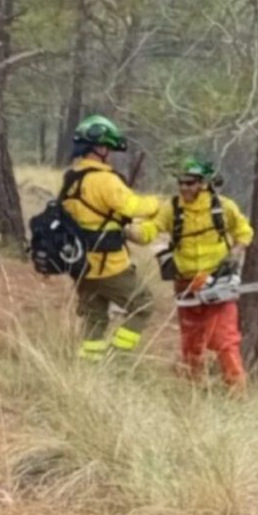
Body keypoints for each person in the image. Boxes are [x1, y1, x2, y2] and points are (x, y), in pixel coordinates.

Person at [128, 157, 253, 388]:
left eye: (190, 183)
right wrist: (130, 231)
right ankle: (191, 389)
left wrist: (235, 253)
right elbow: (150, 230)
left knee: (224, 340)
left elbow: (244, 231)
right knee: (191, 341)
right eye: (181, 183)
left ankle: (237, 391)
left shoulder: (224, 207)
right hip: (186, 285)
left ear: (204, 183)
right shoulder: (172, 208)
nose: (184, 188)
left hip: (218, 283)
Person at [61, 115, 160, 361]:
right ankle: (118, 358)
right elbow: (134, 207)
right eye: (109, 148)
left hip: (82, 266)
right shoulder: (104, 180)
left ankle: (90, 363)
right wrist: (157, 203)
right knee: (143, 304)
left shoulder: (72, 178)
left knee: (95, 316)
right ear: (100, 147)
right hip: (110, 266)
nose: (111, 154)